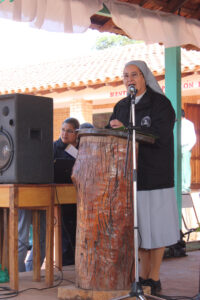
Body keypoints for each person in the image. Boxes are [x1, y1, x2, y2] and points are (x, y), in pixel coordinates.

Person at [107, 60, 180, 295]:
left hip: (156, 174)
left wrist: (127, 129)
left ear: (145, 77)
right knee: (139, 229)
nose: (129, 79)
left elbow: (159, 135)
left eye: (134, 75)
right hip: (130, 176)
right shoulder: (120, 106)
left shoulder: (160, 104)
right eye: (125, 76)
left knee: (155, 228)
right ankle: (142, 277)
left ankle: (154, 277)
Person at [54, 117, 80, 266]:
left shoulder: (81, 148)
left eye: (69, 131)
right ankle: (66, 263)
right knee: (64, 232)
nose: (65, 134)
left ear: (76, 133)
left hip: (76, 196)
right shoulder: (54, 147)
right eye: (63, 130)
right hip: (59, 196)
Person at [181, 109, 196, 193]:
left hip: (186, 147)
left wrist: (188, 148)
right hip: (178, 147)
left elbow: (193, 138)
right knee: (179, 167)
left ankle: (186, 186)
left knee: (185, 167)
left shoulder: (189, 124)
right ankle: (180, 186)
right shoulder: (176, 124)